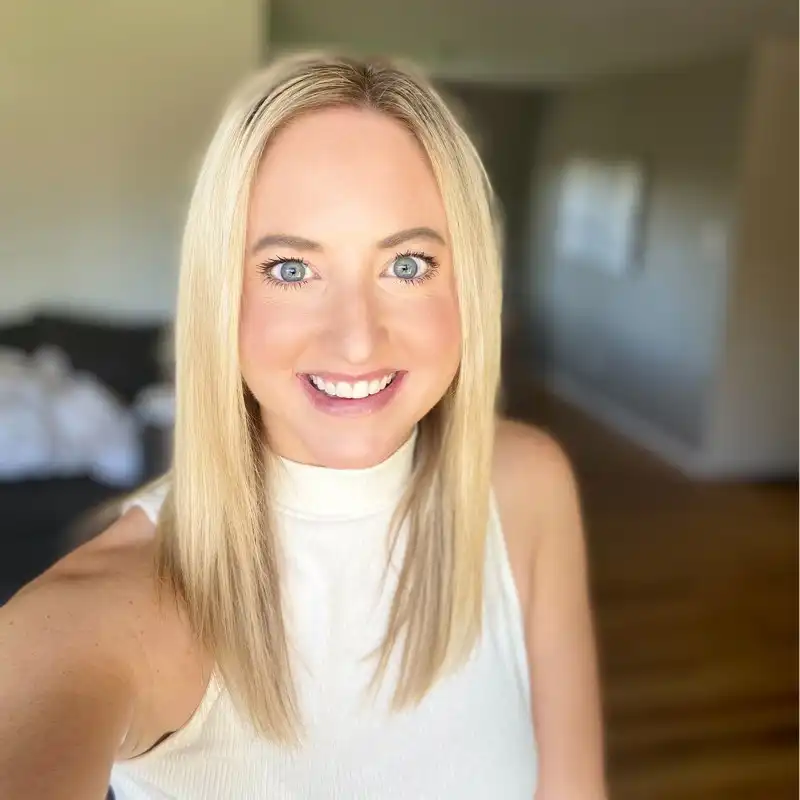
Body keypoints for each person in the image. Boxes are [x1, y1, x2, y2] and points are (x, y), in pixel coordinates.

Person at [0, 53, 606, 799]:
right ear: (221, 296)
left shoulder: (527, 484)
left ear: (468, 285)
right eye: (291, 269)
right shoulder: (112, 609)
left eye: (407, 265)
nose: (356, 340)